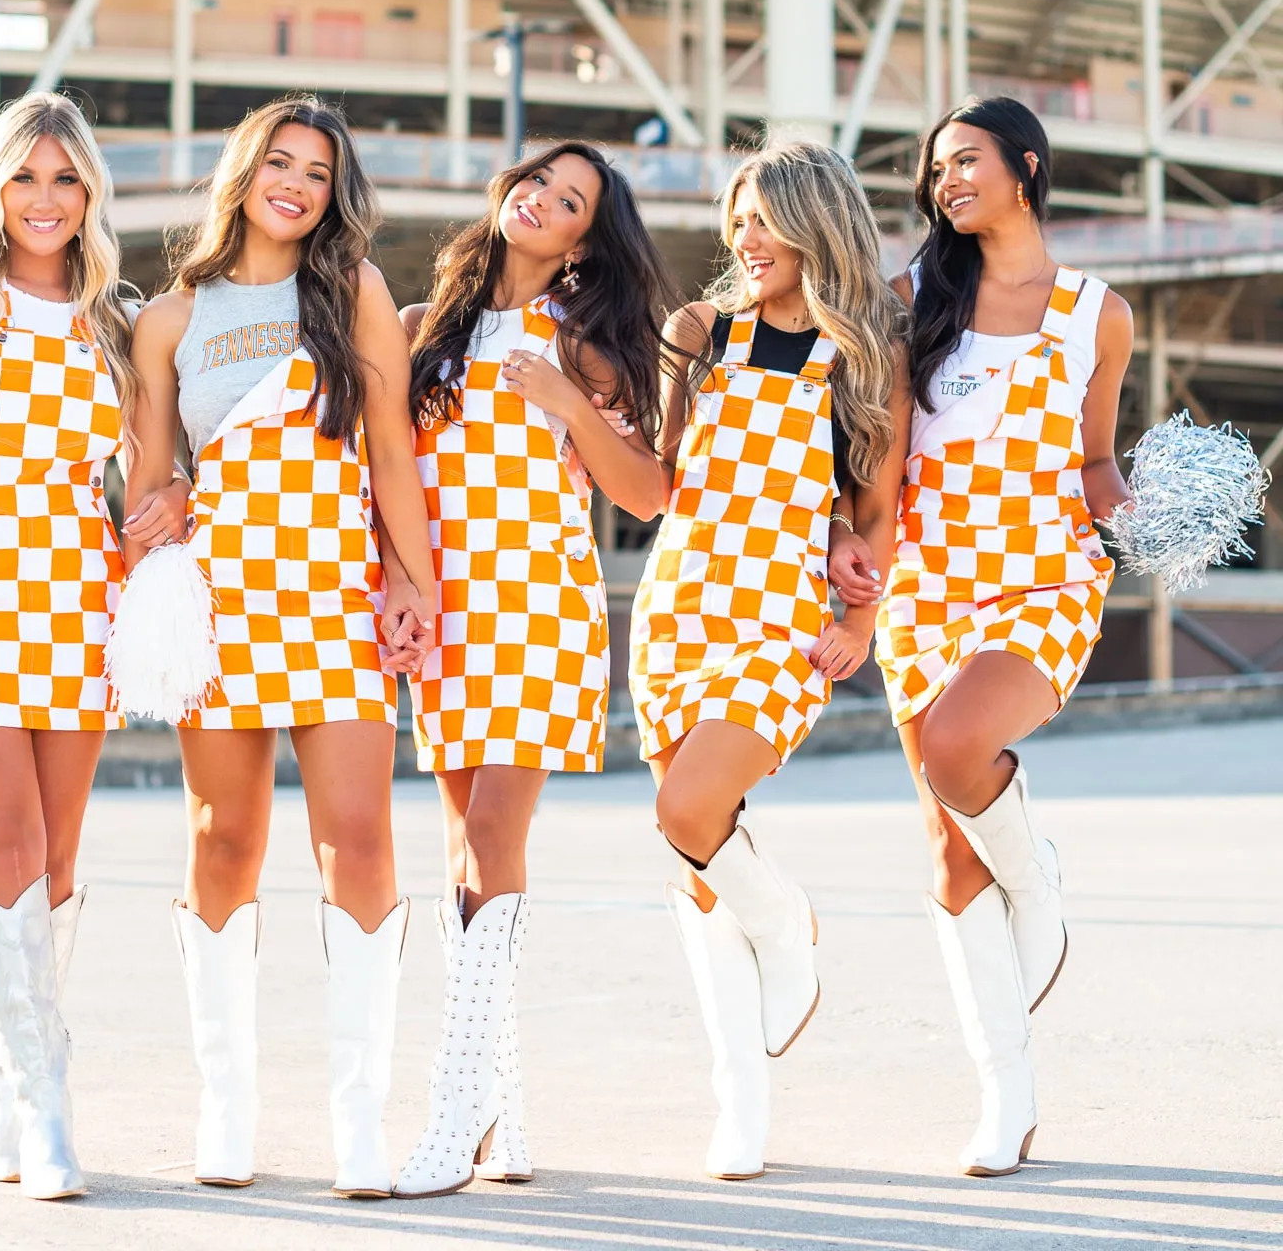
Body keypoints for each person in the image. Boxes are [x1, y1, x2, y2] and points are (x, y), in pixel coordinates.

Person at [125, 97, 435, 1201]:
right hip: (226, 604)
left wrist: (413, 578)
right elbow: (153, 478)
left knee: (359, 838)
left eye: (318, 169)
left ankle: (360, 1115)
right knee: (224, 845)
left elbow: (391, 448)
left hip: (337, 601)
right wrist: (158, 505)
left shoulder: (351, 289)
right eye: (280, 161)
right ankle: (229, 1104)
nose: (297, 182)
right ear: (244, 171)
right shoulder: (167, 320)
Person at [0, 91, 185, 1201]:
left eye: (65, 178)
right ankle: (50, 1093)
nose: (45, 199)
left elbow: (155, 466)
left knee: (55, 860)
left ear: (90, 188)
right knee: (2, 844)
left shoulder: (121, 313)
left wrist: (176, 498)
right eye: (24, 177)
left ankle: (9, 1074)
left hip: (78, 592)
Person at [390, 143, 674, 1199]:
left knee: (493, 838)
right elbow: (391, 478)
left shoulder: (589, 344)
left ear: (584, 240)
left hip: (538, 609)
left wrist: (562, 394)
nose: (541, 201)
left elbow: (646, 492)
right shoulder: (424, 330)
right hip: (446, 614)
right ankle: (505, 1106)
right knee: (465, 847)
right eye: (537, 182)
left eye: (569, 201)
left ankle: (453, 1109)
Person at [864, 96, 1133, 1176]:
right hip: (923, 588)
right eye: (937, 169)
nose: (947, 181)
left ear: (1027, 164)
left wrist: (1144, 509)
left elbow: (1097, 460)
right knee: (944, 846)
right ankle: (1006, 1096)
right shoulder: (910, 296)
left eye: (965, 160)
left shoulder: (1095, 312)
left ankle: (1039, 880)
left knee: (955, 747)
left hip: (1044, 579)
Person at [630, 138, 907, 1180]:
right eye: (736, 219)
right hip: (675, 610)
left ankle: (786, 918)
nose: (745, 239)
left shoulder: (867, 352)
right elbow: (662, 473)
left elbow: (874, 509)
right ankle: (739, 1098)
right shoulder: (697, 331)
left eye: (765, 218)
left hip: (777, 623)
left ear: (816, 222)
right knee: (698, 872)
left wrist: (860, 620)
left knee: (688, 812)